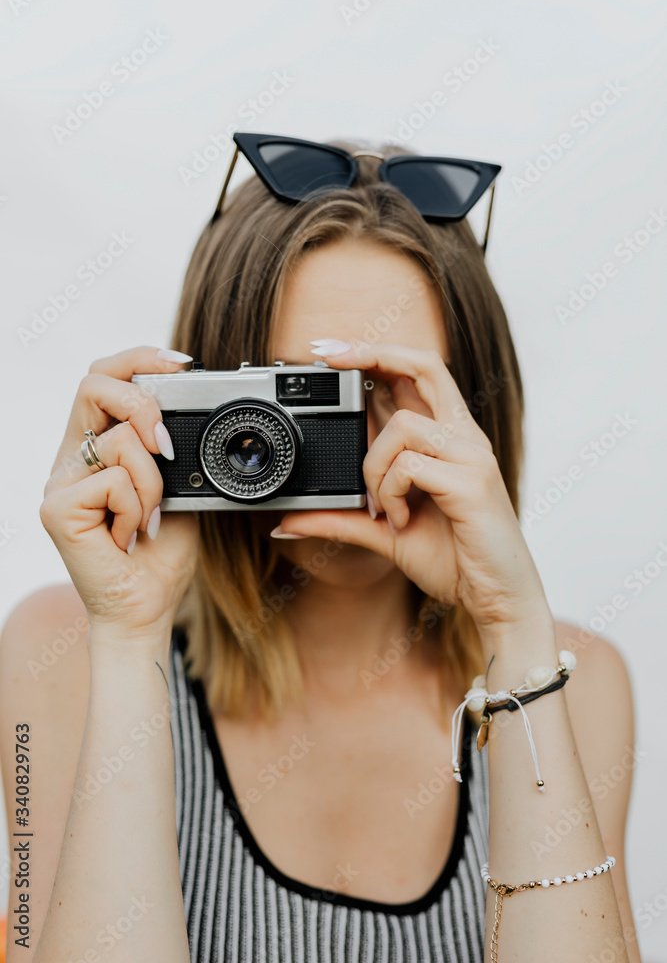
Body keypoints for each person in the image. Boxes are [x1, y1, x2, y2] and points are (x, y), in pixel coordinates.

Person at [0, 134, 639, 963]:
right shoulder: (61, 653)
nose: (337, 443)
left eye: (383, 389)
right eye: (287, 392)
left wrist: (514, 632)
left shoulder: (571, 683)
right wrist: (126, 639)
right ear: (202, 395)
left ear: (476, 409)